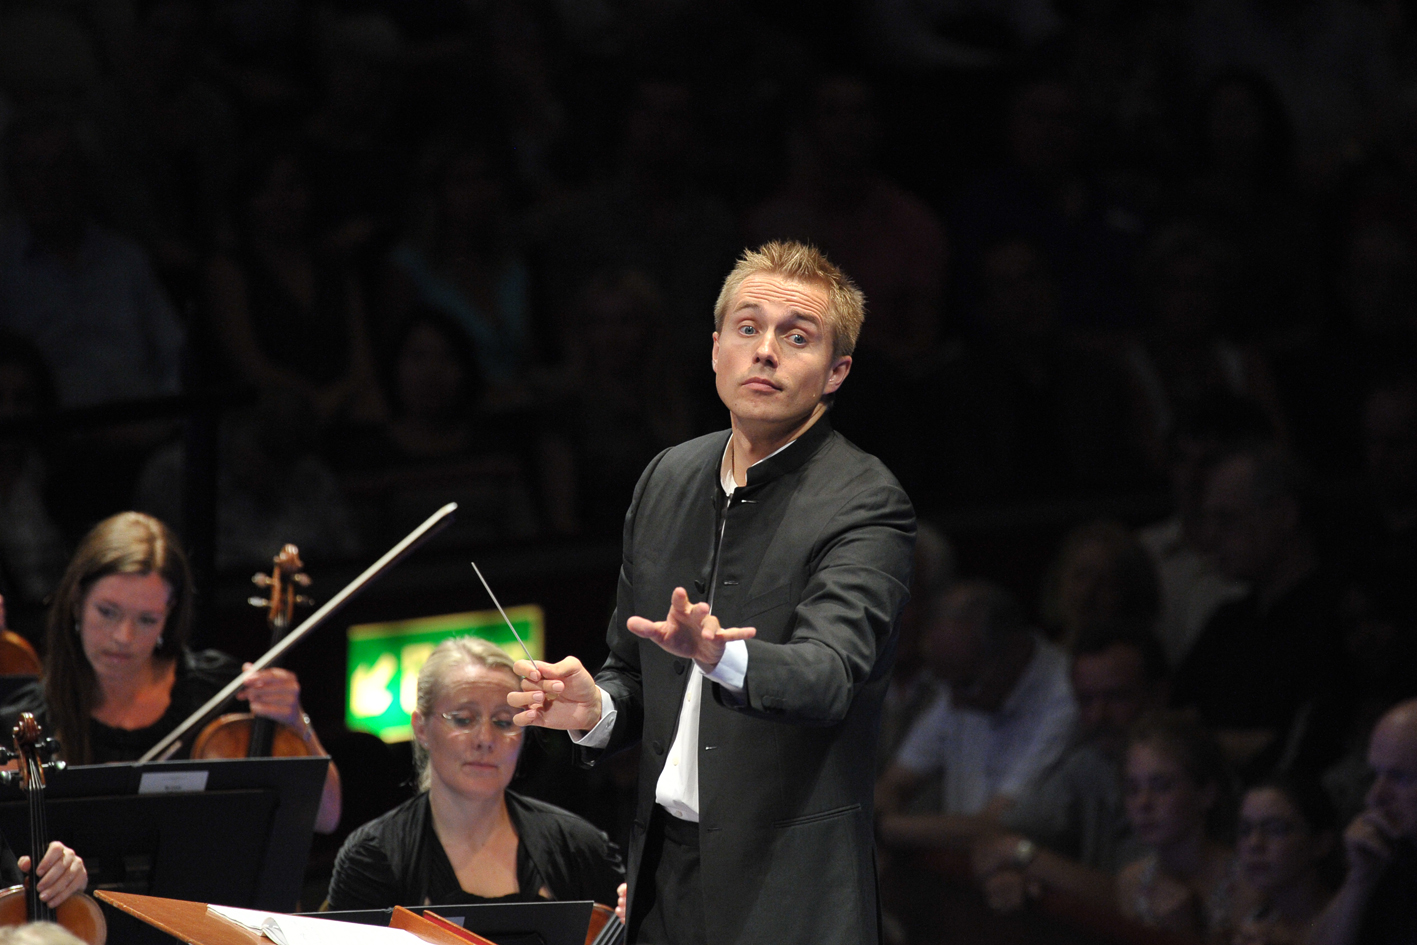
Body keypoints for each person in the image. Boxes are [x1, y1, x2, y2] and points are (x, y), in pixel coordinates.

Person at [508, 241, 915, 945]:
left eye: (797, 336)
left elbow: (830, 675)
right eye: (747, 328)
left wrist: (720, 657)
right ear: (715, 347)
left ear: (834, 372)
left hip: (788, 892)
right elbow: (629, 668)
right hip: (664, 875)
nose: (765, 351)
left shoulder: (865, 500)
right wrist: (596, 708)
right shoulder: (667, 476)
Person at [0, 512, 342, 833]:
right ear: (76, 601)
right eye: (107, 612)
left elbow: (326, 816)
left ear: (169, 615)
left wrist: (296, 721)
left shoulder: (222, 692)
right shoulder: (26, 725)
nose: (124, 637)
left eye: (147, 620)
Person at [326, 637, 622, 909]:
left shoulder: (579, 847)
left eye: (504, 722)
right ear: (421, 728)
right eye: (464, 719)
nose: (485, 739)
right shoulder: (372, 856)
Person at [970, 620, 1169, 912]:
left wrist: (1026, 858)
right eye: (1086, 700)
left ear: (1159, 694)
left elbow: (1136, 901)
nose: (1099, 715)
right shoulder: (1090, 764)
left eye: (1116, 697)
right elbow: (991, 840)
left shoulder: (1182, 773)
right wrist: (1011, 875)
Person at [876, 581, 1077, 832]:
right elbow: (895, 783)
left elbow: (991, 826)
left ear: (1013, 651)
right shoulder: (960, 678)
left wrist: (882, 828)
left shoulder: (1067, 694)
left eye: (966, 685)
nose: (955, 703)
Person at [1115, 711, 1237, 940]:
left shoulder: (1247, 883)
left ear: (1206, 793)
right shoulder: (1131, 882)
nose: (1143, 803)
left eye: (1161, 786)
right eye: (1132, 789)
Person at [1309, 699, 1417, 945]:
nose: (1374, 796)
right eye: (1375, 774)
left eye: (1400, 777)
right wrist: (1360, 878)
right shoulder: (1389, 851)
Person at [1230, 777, 1337, 945]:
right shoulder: (1254, 919)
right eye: (1245, 830)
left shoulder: (1347, 924)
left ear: (1321, 843)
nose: (1254, 843)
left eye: (1275, 830)